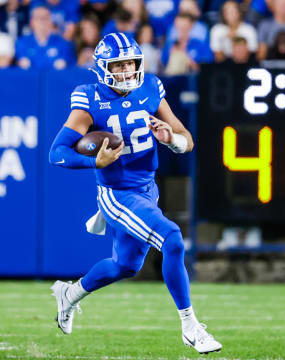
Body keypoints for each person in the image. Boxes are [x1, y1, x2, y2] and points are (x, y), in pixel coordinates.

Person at [49, 32, 222, 355]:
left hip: (147, 189)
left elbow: (186, 139)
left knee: (126, 265)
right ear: (102, 68)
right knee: (172, 238)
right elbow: (56, 153)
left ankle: (68, 295)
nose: (128, 71)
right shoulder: (89, 98)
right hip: (116, 193)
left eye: (131, 63)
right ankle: (190, 327)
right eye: (119, 65)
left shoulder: (150, 87)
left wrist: (171, 138)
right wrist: (93, 161)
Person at [15, 5, 75, 69]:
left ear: (51, 21)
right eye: (38, 18)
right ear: (31, 22)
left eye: (45, 18)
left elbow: (71, 69)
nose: (42, 22)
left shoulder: (63, 44)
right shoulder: (22, 43)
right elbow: (22, 67)